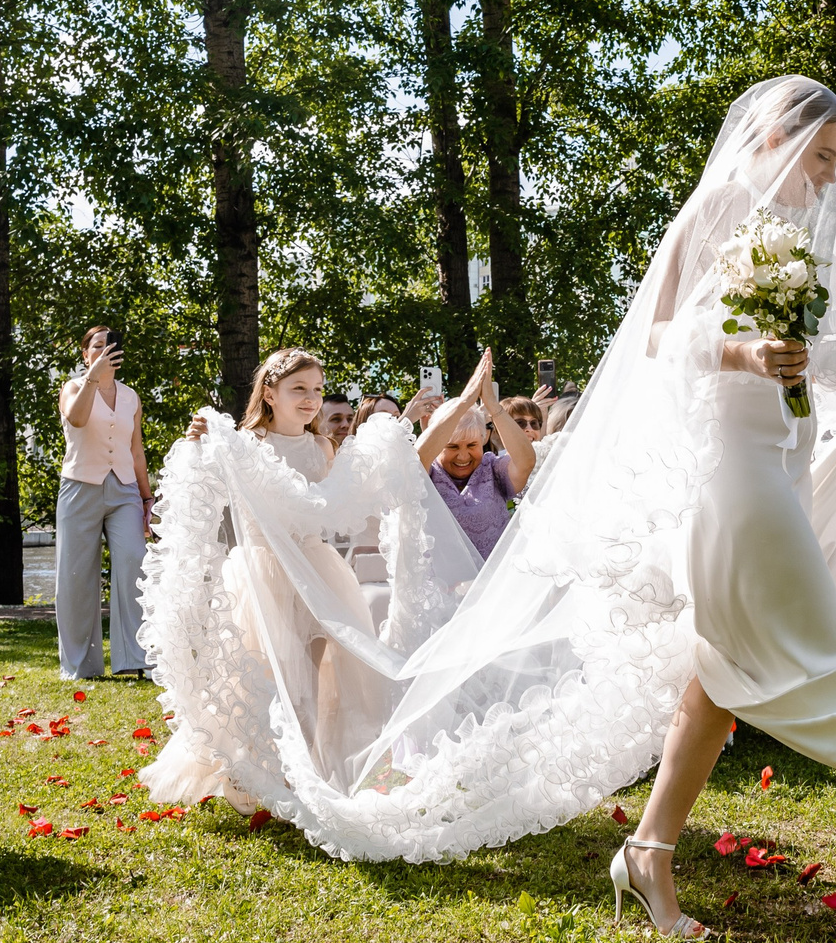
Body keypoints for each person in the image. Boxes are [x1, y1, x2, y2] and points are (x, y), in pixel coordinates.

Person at [140, 75, 836, 943]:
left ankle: (647, 853)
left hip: (781, 462)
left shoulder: (793, 237)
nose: (831, 180)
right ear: (769, 143)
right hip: (732, 476)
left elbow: (822, 354)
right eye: (821, 159)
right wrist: (748, 350)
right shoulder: (710, 218)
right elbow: (659, 338)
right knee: (820, 659)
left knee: (715, 684)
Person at [142, 349, 468, 811]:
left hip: (318, 571)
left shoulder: (322, 448)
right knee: (269, 677)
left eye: (317, 390)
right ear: (269, 394)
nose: (311, 399)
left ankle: (311, 774)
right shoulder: (243, 442)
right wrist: (197, 441)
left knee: (316, 680)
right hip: (263, 572)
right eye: (299, 389)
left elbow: (340, 502)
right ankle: (259, 771)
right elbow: (206, 484)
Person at [55, 327, 155, 680]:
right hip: (80, 487)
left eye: (108, 346)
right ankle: (81, 664)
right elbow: (77, 418)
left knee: (134, 561)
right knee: (76, 576)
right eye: (96, 346)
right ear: (85, 354)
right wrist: (93, 378)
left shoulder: (131, 397)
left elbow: (136, 451)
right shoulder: (72, 388)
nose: (103, 351)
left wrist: (147, 498)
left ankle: (136, 656)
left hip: (124, 490)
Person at [418, 371, 535, 560]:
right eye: (452, 446)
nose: (463, 455)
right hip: (440, 585)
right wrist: (465, 402)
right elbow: (414, 460)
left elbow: (526, 461)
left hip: (488, 583)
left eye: (472, 445)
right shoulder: (426, 471)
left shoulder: (493, 468)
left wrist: (493, 405)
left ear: (483, 439)